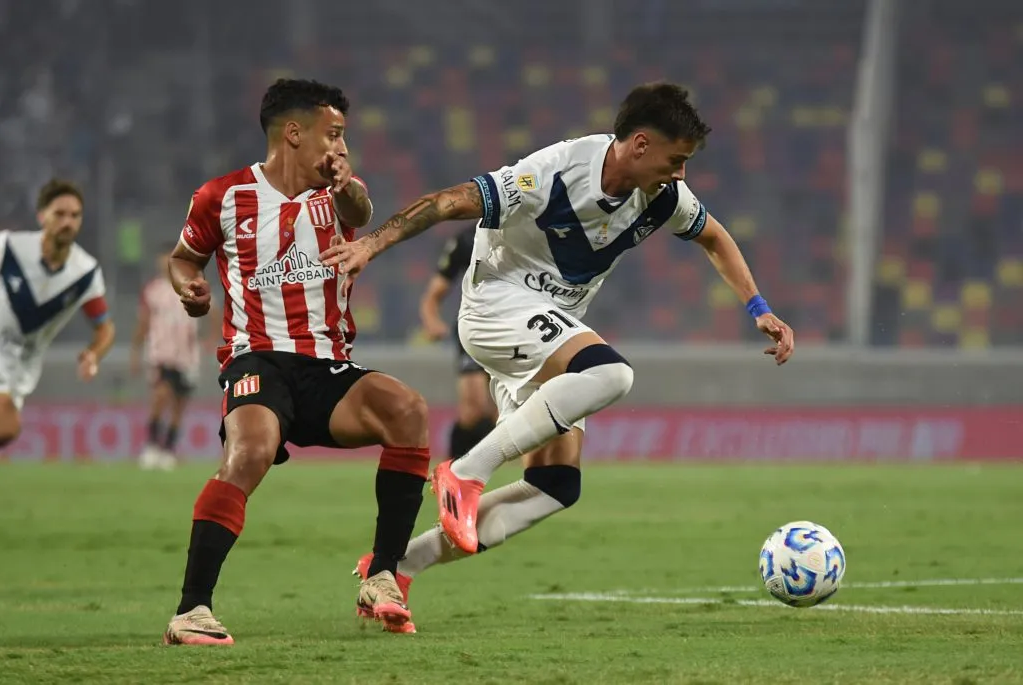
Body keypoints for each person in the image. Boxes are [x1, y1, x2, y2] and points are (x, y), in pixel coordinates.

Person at [322, 82, 795, 588]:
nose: (680, 174)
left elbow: (715, 237)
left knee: (554, 485)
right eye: (675, 159)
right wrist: (372, 243)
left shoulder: (664, 196)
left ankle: (394, 568)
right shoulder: (555, 172)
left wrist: (758, 307)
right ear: (639, 144)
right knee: (610, 373)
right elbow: (447, 202)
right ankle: (466, 471)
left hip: (547, 328)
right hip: (495, 306)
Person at [162, 78, 432, 644]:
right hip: (255, 359)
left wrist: (344, 183)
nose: (339, 145)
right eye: (332, 133)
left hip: (327, 368)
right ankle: (191, 611)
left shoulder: (340, 195)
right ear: (293, 133)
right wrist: (190, 288)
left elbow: (361, 208)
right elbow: (185, 259)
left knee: (408, 410)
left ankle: (382, 576)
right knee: (252, 449)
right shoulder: (222, 196)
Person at [0, 179, 115, 448]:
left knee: (7, 428)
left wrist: (93, 354)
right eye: (60, 214)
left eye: (75, 215)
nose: (68, 222)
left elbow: (105, 328)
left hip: (23, 364)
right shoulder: (9, 247)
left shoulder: (85, 273)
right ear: (42, 216)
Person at [130, 244, 218, 470]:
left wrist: (211, 339)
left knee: (180, 404)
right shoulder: (153, 290)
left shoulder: (193, 285)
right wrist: (135, 352)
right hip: (161, 353)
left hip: (187, 356)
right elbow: (143, 323)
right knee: (161, 395)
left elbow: (215, 312)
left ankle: (168, 450)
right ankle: (151, 446)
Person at [419, 225, 497, 460]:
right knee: (473, 409)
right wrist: (431, 320)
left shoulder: (528, 230)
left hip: (516, 326)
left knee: (498, 413)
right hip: (475, 326)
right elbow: (434, 293)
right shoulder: (466, 239)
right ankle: (452, 470)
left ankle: (478, 470)